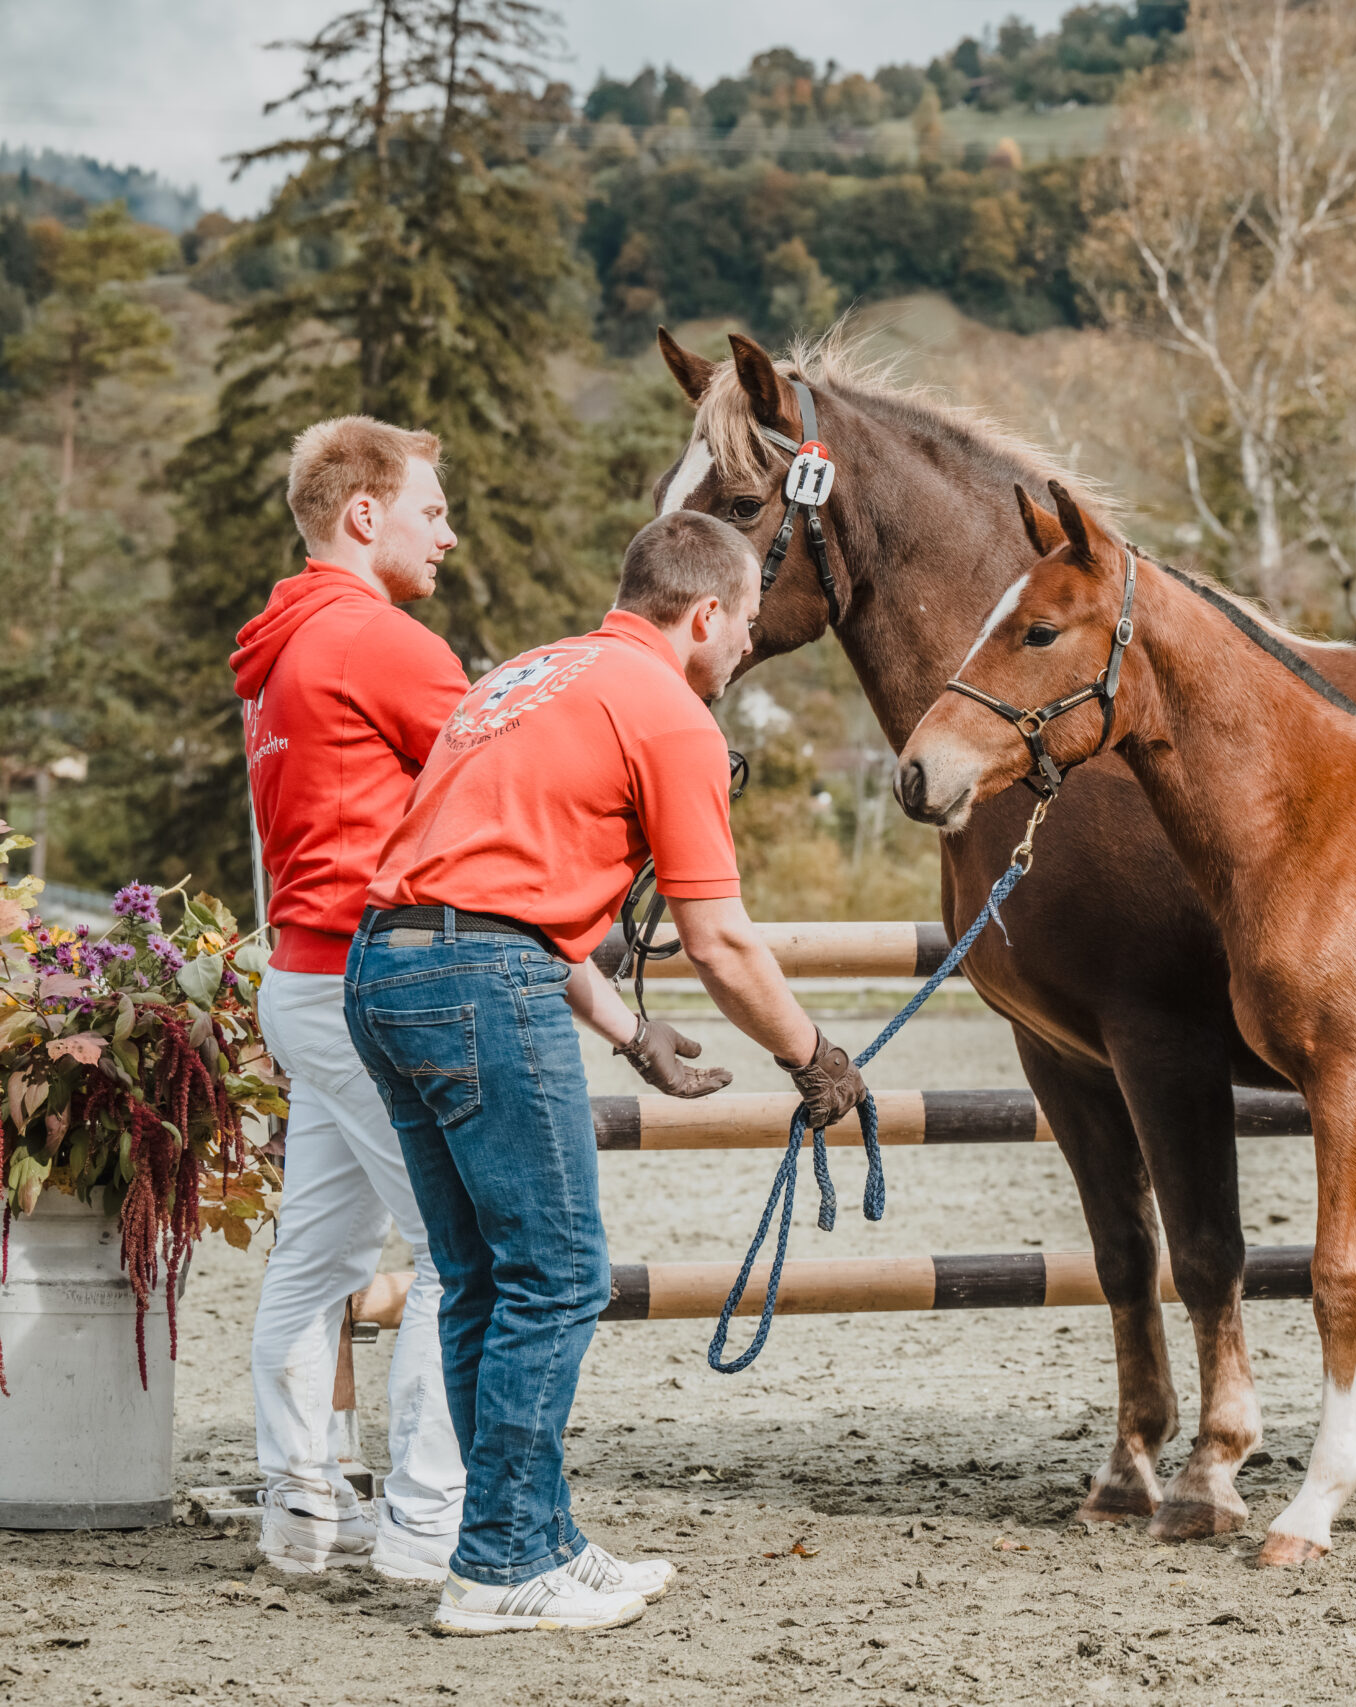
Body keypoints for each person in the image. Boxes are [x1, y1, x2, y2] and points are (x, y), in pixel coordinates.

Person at [344, 510, 867, 1636]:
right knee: (559, 1278)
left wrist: (631, 1035)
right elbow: (720, 941)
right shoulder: (667, 711)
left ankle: (535, 1539)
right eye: (745, 636)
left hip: (385, 966)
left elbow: (491, 878)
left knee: (487, 1278)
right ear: (707, 614)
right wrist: (813, 1059)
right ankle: (496, 1566)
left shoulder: (526, 675)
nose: (741, 658)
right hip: (485, 979)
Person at [231, 417, 473, 1581]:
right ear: (364, 515)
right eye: (433, 511)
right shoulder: (385, 643)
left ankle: (301, 1506)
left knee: (317, 1255)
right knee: (456, 1252)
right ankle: (431, 1525)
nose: (451, 536)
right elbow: (501, 790)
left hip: (299, 976)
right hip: (370, 981)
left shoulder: (278, 649)